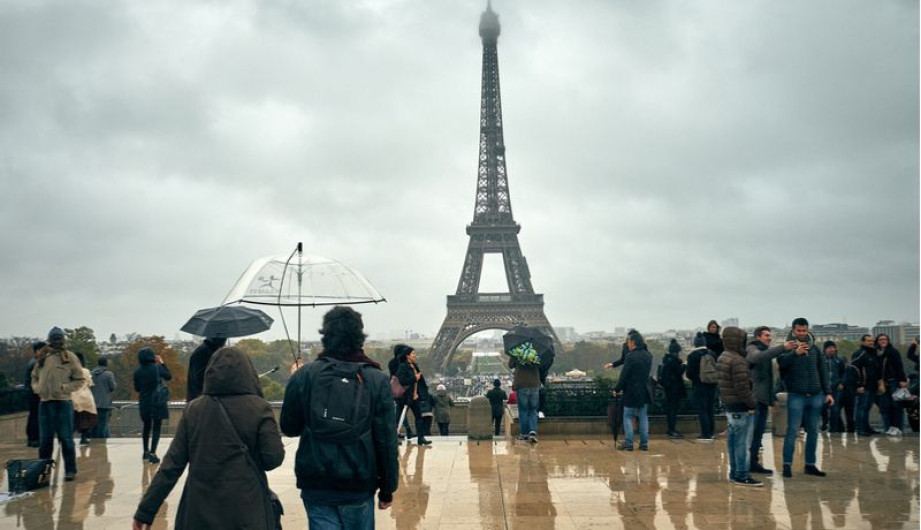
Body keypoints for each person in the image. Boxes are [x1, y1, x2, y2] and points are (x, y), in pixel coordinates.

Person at [132, 347, 285, 530]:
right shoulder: (260, 408)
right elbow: (273, 459)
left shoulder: (194, 410)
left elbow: (171, 466)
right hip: (246, 508)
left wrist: (146, 510)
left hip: (199, 511)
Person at [280, 306, 398, 528]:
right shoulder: (376, 379)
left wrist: (295, 380)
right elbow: (386, 441)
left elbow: (289, 427)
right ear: (359, 337)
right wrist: (387, 488)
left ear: (325, 335)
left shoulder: (306, 375)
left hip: (316, 480)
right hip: (358, 480)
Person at [778, 317, 833, 479]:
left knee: (814, 431)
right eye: (799, 331)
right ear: (793, 331)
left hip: (815, 395)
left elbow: (823, 371)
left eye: (804, 330)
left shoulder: (815, 349)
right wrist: (795, 353)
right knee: (792, 430)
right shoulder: (788, 347)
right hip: (796, 395)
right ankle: (787, 464)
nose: (802, 333)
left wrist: (828, 392)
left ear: (807, 330)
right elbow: (781, 364)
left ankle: (810, 464)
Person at [31, 327, 84, 481]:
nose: (57, 341)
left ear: (64, 340)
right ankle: (44, 471)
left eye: (59, 338)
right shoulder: (43, 357)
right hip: (45, 403)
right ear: (50, 339)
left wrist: (65, 388)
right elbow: (34, 376)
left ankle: (70, 470)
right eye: (54, 338)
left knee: (66, 438)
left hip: (63, 402)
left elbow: (80, 379)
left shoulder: (70, 357)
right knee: (45, 440)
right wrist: (37, 388)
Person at [745, 326, 795, 474]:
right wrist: (782, 348)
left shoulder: (763, 350)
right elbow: (758, 357)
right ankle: (747, 463)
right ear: (758, 337)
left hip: (762, 399)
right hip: (755, 400)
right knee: (752, 435)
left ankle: (753, 463)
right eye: (766, 335)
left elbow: (768, 378)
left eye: (770, 335)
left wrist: (772, 399)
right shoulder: (752, 348)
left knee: (757, 435)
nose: (769, 338)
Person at [716, 326, 761, 486]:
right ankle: (742, 474)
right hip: (740, 407)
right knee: (743, 444)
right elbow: (743, 387)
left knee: (733, 442)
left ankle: (735, 472)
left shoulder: (723, 356)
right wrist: (752, 404)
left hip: (730, 405)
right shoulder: (738, 360)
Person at [614, 330, 653, 451]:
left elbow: (624, 375)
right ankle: (644, 444)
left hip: (631, 390)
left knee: (627, 416)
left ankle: (629, 443)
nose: (628, 344)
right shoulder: (648, 355)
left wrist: (617, 389)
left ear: (633, 343)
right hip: (644, 389)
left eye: (629, 342)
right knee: (643, 417)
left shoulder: (630, 357)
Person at [134, 347, 172, 464]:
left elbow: (137, 388)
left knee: (146, 426)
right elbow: (168, 376)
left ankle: (145, 451)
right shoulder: (157, 368)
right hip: (157, 401)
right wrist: (161, 363)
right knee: (156, 427)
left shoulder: (137, 372)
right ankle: (153, 452)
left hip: (144, 401)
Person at [396, 345, 433, 446]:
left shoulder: (414, 365)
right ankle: (394, 438)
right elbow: (402, 381)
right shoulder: (403, 366)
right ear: (407, 356)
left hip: (415, 396)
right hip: (405, 397)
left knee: (418, 417)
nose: (415, 355)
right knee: (399, 418)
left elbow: (419, 382)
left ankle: (421, 438)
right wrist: (415, 378)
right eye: (413, 353)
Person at [686, 332, 718, 440]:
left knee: (702, 409)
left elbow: (689, 374)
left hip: (699, 385)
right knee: (710, 409)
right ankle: (712, 432)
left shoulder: (692, 355)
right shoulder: (712, 353)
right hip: (712, 384)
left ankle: (706, 433)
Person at [875, 333, 908, 435]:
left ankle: (898, 428)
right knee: (885, 407)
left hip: (894, 381)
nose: (883, 341)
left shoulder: (893, 352)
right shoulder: (876, 353)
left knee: (896, 406)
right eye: (880, 339)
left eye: (885, 339)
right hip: (882, 384)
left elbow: (899, 366)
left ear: (888, 341)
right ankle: (888, 429)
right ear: (877, 342)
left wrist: (902, 380)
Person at [510, 354, 542, 444]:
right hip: (534, 384)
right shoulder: (537, 352)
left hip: (522, 384)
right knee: (533, 410)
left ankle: (524, 434)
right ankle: (532, 432)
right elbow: (542, 366)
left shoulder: (517, 351)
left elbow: (510, 365)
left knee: (523, 410)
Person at [658, 339, 686, 438]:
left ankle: (671, 429)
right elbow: (678, 372)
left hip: (668, 388)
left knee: (670, 410)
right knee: (673, 410)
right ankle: (672, 430)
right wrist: (683, 365)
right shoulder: (673, 361)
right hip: (675, 388)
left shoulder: (666, 359)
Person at [186, 337, 226, 403]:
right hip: (201, 400)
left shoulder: (208, 351)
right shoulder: (203, 352)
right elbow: (201, 378)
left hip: (203, 399)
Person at [70, 352, 97, 446]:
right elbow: (90, 383)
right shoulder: (85, 371)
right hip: (85, 397)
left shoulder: (70, 370)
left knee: (72, 419)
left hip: (72, 396)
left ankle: (70, 439)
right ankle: (83, 438)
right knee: (86, 419)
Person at [23, 341, 45, 448]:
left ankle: (32, 439)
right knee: (36, 416)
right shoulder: (36, 363)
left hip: (31, 393)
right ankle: (34, 439)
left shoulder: (33, 362)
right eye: (42, 350)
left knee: (33, 416)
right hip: (34, 393)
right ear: (37, 351)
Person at [821, 341, 846, 433]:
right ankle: (824, 423)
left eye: (833, 348)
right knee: (823, 407)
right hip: (823, 388)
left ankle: (833, 430)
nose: (831, 350)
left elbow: (844, 373)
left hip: (836, 388)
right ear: (825, 349)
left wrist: (842, 383)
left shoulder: (839, 360)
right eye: (829, 348)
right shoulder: (821, 360)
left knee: (835, 409)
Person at [90, 357, 117, 440]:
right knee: (103, 424)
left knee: (93, 425)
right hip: (104, 404)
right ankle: (100, 442)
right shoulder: (109, 374)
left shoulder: (91, 374)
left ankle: (93, 442)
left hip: (92, 403)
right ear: (106, 364)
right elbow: (113, 387)